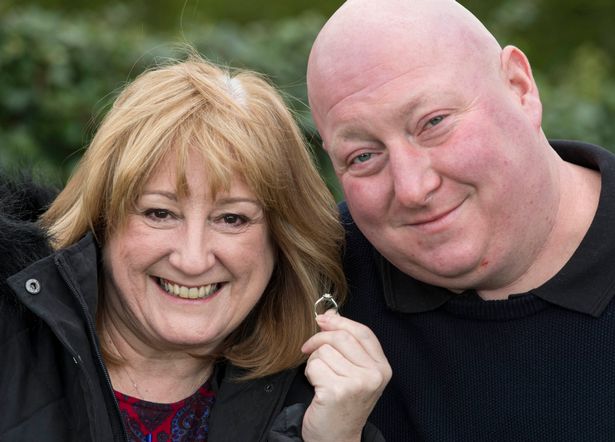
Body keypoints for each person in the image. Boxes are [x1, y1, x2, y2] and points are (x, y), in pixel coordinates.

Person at [0, 54, 391, 441]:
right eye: (160, 213)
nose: (192, 259)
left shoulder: (331, 401)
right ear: (103, 219)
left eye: (231, 219)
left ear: (281, 239)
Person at [306, 0, 615, 440]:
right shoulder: (309, 284)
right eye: (363, 156)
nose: (412, 189)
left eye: (433, 122)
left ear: (519, 87)